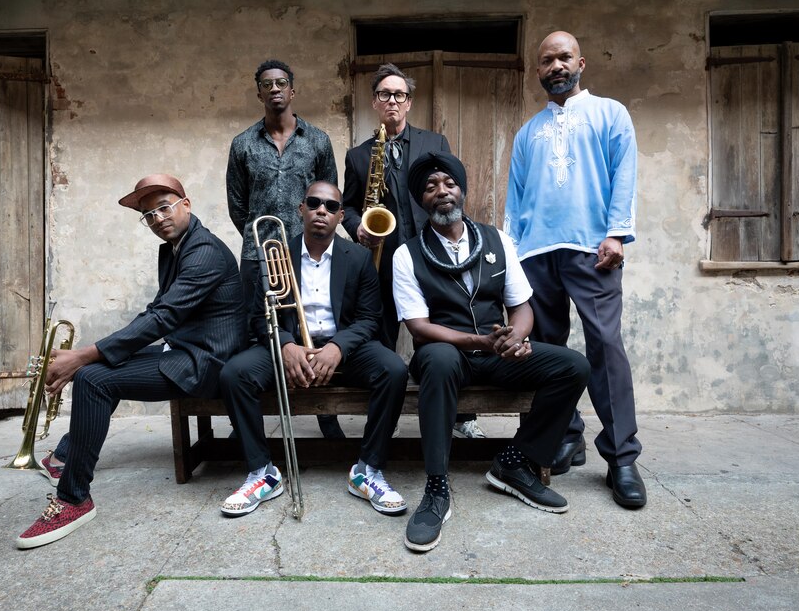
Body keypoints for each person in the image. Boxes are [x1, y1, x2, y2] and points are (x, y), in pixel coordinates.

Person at [16, 174, 246, 549]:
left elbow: (163, 318)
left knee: (93, 378)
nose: (158, 218)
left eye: (164, 207)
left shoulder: (203, 251)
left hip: (206, 363)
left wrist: (83, 354)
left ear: (186, 205)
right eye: (149, 215)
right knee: (96, 368)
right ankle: (66, 455)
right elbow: (157, 311)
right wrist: (92, 353)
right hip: (185, 348)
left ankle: (73, 499)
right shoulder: (174, 249)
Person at [393, 152, 590, 552]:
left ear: (462, 191)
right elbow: (418, 327)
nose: (442, 191)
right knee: (438, 359)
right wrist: (479, 341)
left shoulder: (497, 240)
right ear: (422, 200)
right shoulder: (406, 254)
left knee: (573, 366)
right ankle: (436, 488)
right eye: (430, 187)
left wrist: (516, 337)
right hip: (446, 355)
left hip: (497, 353)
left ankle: (514, 462)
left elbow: (521, 306)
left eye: (449, 183)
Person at [504, 30, 646, 509]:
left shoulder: (610, 114)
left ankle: (622, 458)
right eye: (547, 61)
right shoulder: (527, 132)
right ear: (538, 71)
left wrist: (617, 233)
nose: (556, 67)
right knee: (547, 351)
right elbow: (515, 198)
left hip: (593, 249)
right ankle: (566, 436)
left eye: (564, 57)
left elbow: (624, 175)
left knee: (605, 345)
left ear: (581, 63)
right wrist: (512, 254)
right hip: (536, 254)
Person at [219, 181, 408, 517]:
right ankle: (262, 473)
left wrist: (337, 348)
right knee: (235, 374)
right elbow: (259, 317)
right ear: (301, 209)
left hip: (343, 348)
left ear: (341, 216)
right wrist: (285, 345)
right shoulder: (275, 254)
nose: (322, 210)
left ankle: (367, 470)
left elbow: (369, 318)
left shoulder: (359, 257)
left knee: (393, 370)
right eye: (314, 203)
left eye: (331, 206)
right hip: (292, 345)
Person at [342, 63, 484, 440]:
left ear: (409, 102)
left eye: (399, 94)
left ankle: (463, 416)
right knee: (382, 337)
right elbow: (349, 205)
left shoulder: (434, 142)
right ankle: (383, 420)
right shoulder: (358, 156)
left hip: (431, 254)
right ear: (375, 102)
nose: (392, 100)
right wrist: (357, 227)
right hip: (383, 259)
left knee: (449, 328)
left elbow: (451, 191)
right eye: (384, 94)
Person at [226, 58, 343, 438]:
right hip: (258, 255)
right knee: (255, 334)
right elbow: (237, 206)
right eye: (267, 84)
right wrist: (261, 240)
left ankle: (327, 415)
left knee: (312, 327)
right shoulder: (242, 144)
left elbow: (328, 196)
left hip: (307, 254)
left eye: (281, 83)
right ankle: (249, 421)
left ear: (293, 90)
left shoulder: (318, 140)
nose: (274, 89)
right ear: (258, 92)